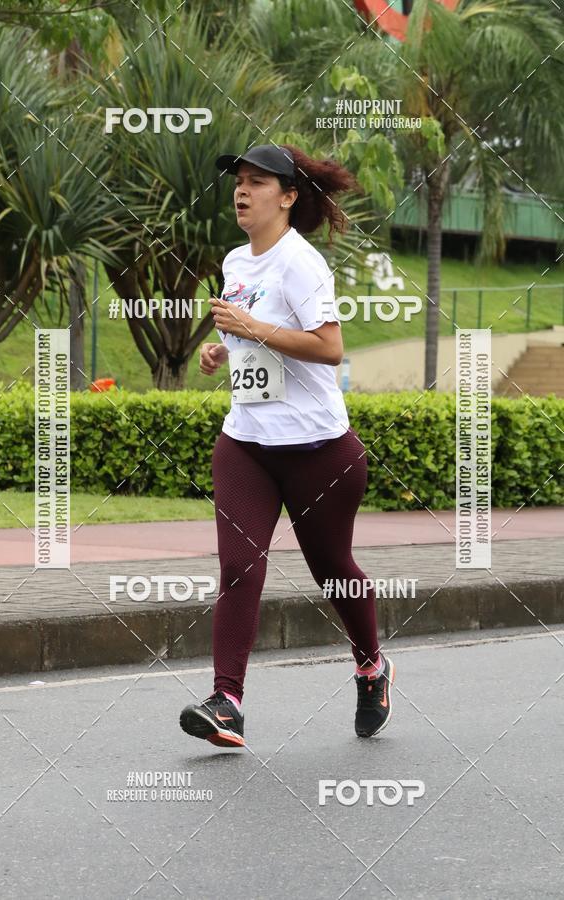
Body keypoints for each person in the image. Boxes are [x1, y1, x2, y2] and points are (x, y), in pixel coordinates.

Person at [179, 144, 395, 748]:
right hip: (247, 443)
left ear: (289, 196)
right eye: (237, 183)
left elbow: (329, 347)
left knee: (335, 574)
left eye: (257, 182)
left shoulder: (302, 264)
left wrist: (253, 330)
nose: (242, 192)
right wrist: (224, 351)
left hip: (319, 452)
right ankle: (227, 702)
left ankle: (372, 666)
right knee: (238, 567)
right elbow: (257, 342)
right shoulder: (235, 260)